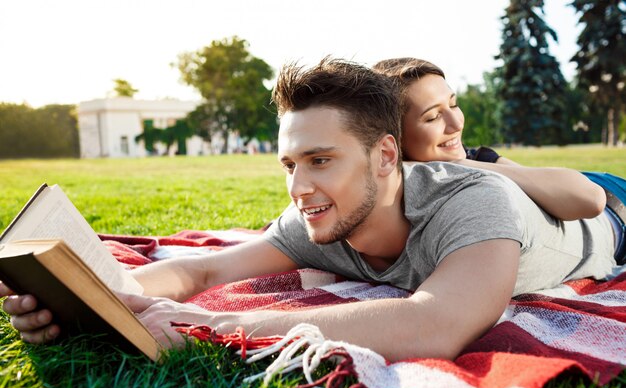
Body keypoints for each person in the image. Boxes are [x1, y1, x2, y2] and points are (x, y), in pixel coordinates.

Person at [1, 58, 623, 363]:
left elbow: (435, 324)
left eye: (321, 160)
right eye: (291, 164)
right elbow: (204, 272)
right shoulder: (320, 216)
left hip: (613, 216)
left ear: (386, 156)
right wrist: (91, 297)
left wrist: (209, 327)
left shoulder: (471, 200)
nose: (300, 188)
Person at [373, 57, 625, 263]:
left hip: (615, 200)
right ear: (394, 139)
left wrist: (459, 166)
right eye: (432, 117)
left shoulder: (476, 158)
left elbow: (590, 199)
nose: (456, 123)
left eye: (454, 104)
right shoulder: (385, 188)